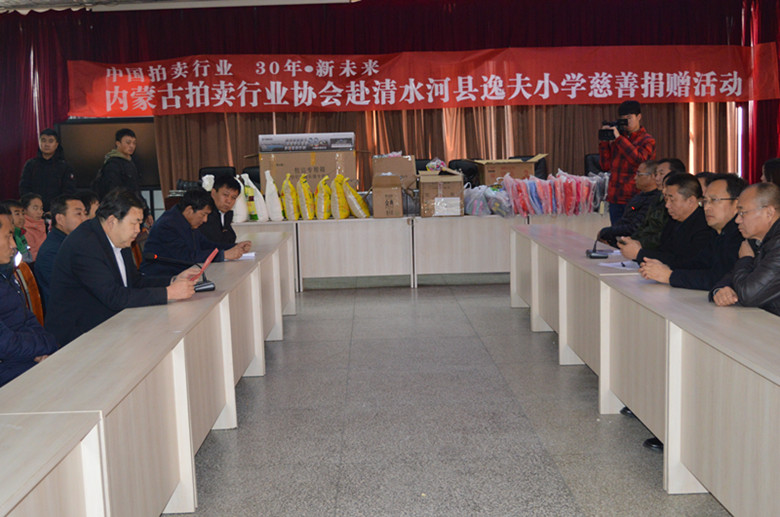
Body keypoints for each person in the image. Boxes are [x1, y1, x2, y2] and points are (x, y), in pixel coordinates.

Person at [45, 189, 198, 347]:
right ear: (112, 221)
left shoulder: (118, 238)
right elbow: (114, 296)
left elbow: (135, 282)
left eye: (139, 223)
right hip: (79, 337)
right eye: (134, 223)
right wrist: (169, 293)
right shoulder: (85, 245)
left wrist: (173, 280)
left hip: (110, 324)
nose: (138, 230)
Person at [640, 174, 746, 290]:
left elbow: (718, 278)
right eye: (705, 201)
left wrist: (670, 276)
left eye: (714, 200)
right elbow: (696, 264)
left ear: (737, 204)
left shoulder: (741, 236)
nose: (706, 207)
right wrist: (661, 267)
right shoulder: (717, 233)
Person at [0, 205, 59, 387]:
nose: (13, 245)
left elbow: (27, 319)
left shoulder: (5, 275)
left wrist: (46, 345)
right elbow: (5, 344)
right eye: (8, 236)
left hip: (23, 357)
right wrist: (42, 348)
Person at [141, 188, 251, 277]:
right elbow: (185, 257)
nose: (205, 220)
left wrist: (234, 247)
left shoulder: (185, 220)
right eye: (203, 214)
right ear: (189, 210)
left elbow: (205, 244)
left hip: (182, 274)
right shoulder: (168, 225)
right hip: (161, 278)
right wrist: (223, 255)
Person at [711, 182, 780, 316]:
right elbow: (730, 276)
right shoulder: (756, 241)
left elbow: (749, 295)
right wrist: (721, 290)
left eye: (742, 213)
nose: (737, 220)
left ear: (769, 213)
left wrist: (745, 259)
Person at [618, 173, 714, 268]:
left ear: (691, 201)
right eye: (666, 199)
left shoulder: (705, 225)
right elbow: (663, 251)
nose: (667, 205)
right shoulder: (674, 220)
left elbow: (686, 262)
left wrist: (640, 253)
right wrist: (639, 247)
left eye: (672, 200)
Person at [599, 100, 656, 224]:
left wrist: (619, 139)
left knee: (633, 231)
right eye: (623, 119)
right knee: (616, 232)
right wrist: (604, 141)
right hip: (615, 197)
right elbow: (605, 165)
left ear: (639, 117)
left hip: (635, 197)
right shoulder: (618, 139)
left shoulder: (647, 140)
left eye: (629, 118)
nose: (626, 122)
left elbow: (639, 160)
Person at [34, 194, 87, 309]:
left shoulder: (74, 242)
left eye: (85, 213)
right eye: (78, 214)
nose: (85, 219)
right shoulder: (52, 251)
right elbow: (69, 292)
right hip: (68, 311)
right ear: (60, 219)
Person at [597, 160, 659, 248]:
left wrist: (606, 232)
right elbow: (626, 219)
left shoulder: (654, 199)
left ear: (652, 176)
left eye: (639, 174)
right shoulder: (640, 196)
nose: (635, 178)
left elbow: (635, 228)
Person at [630, 158, 687, 251]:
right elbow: (644, 225)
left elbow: (663, 236)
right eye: (656, 174)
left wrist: (639, 243)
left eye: (661, 174)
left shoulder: (678, 205)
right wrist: (631, 240)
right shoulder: (657, 198)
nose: (657, 178)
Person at [18, 128, 76, 212]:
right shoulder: (30, 164)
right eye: (43, 140)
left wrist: (56, 209)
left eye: (50, 141)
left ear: (56, 144)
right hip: (33, 210)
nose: (46, 144)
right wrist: (34, 206)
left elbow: (68, 192)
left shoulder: (65, 167)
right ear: (39, 143)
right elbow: (24, 188)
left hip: (56, 210)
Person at [92, 128, 142, 199]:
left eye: (134, 143)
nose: (132, 146)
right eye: (128, 142)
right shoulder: (113, 164)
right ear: (118, 144)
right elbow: (113, 191)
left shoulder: (130, 161)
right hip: (121, 203)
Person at [199, 174, 242, 245]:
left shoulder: (225, 214)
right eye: (225, 195)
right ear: (213, 193)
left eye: (233, 198)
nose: (229, 201)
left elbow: (231, 238)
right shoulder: (204, 213)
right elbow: (215, 242)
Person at [21, 193, 46, 261]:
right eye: (35, 208)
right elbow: (30, 256)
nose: (39, 212)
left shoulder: (42, 224)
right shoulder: (23, 229)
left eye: (41, 208)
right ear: (24, 210)